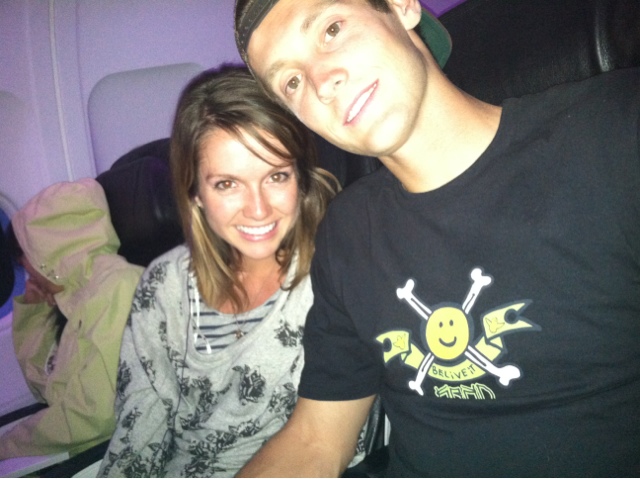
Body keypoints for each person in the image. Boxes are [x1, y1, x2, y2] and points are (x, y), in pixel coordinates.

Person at [233, 0, 640, 476]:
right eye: (292, 82)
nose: (322, 84)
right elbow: (315, 440)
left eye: (332, 29)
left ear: (402, 7)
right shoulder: (346, 232)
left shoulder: (615, 133)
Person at [97, 66, 358, 477]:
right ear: (195, 193)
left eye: (276, 176)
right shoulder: (163, 285)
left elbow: (336, 445)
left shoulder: (336, 275)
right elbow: (137, 431)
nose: (258, 209)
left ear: (300, 178)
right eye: (227, 184)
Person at [0, 179, 144, 459]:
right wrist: (34, 312)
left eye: (27, 262)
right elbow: (46, 387)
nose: (30, 275)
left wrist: (7, 446)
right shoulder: (77, 298)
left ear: (47, 251)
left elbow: (95, 414)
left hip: (112, 454)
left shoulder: (118, 287)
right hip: (86, 446)